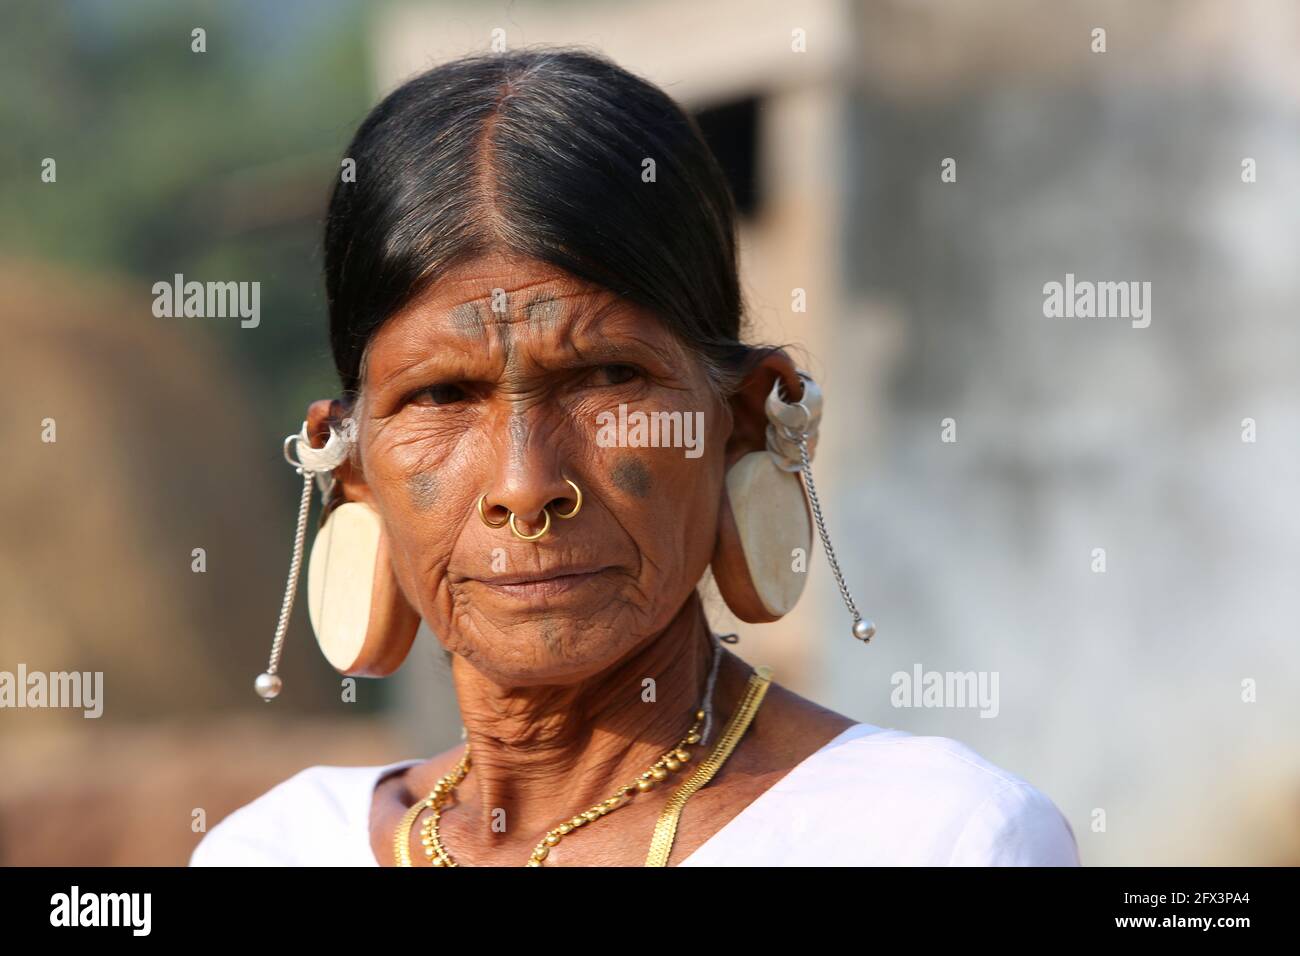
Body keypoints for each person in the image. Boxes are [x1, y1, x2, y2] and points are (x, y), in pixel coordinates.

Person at [190, 47, 1079, 867]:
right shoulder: (273, 851)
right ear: (350, 466)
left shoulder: (935, 837)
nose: (524, 488)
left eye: (607, 378)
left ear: (743, 417)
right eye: (442, 396)